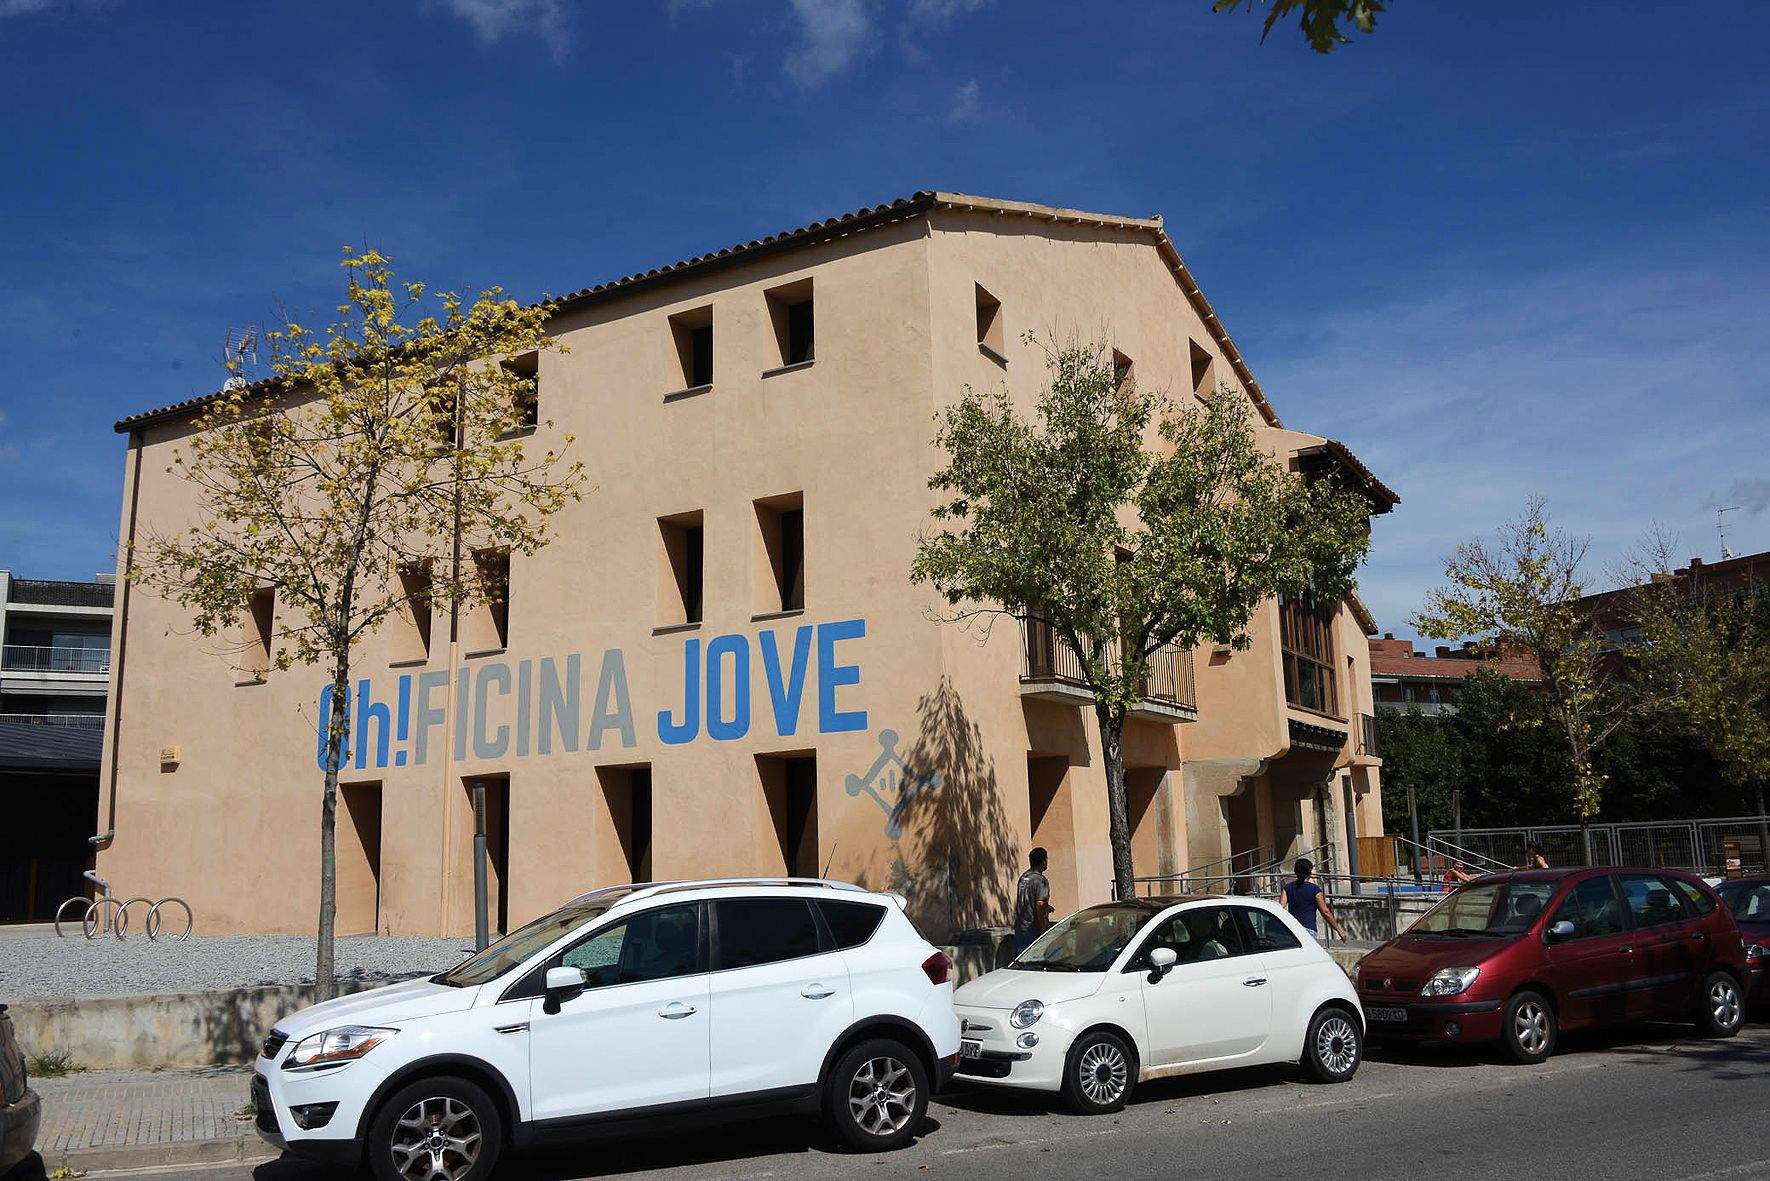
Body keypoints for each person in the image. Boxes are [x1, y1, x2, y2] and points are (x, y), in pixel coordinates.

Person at [1280, 858, 1348, 942]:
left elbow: (1281, 907)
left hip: (1293, 930)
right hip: (1309, 930)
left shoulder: (1287, 888)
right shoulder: (1315, 890)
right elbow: (1325, 912)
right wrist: (1339, 930)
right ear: (1309, 872)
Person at [1009, 847, 1054, 958]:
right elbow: (1039, 904)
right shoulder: (1040, 880)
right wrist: (1043, 928)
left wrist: (1047, 907)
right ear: (1043, 861)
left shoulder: (1024, 877)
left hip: (1021, 927)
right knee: (1035, 962)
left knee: (1020, 961)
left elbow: (1028, 899)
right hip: (1033, 929)